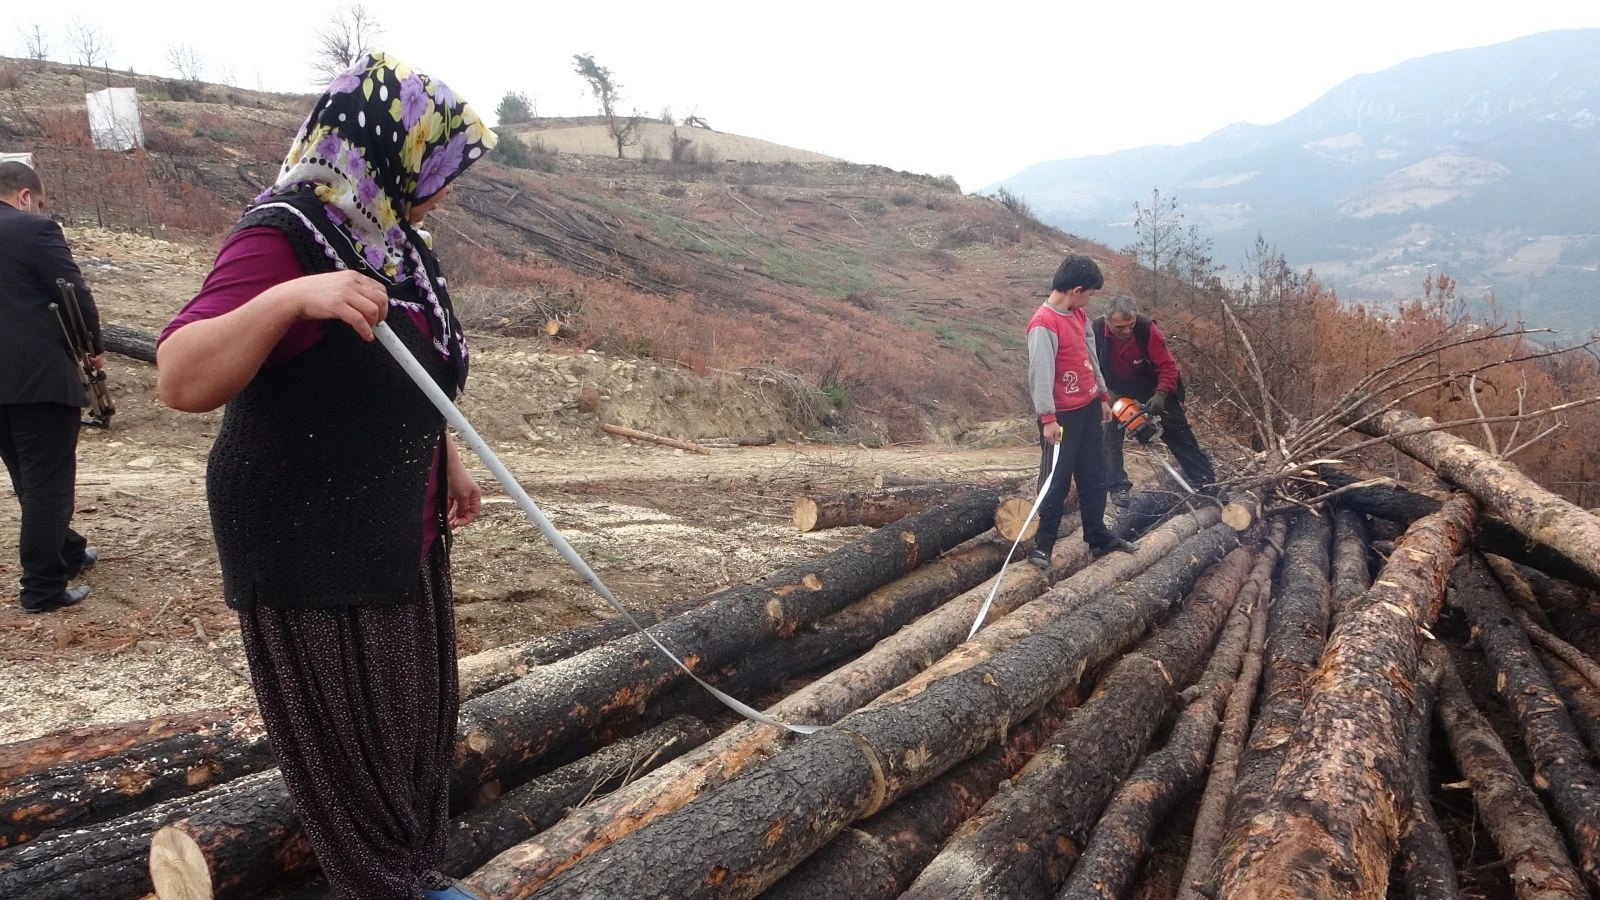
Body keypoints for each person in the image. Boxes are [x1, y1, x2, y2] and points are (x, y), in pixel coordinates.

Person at [156, 54, 495, 900]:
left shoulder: (393, 240)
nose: (442, 191)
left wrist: (442, 445)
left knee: (413, 734)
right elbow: (180, 375)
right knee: (356, 755)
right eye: (436, 167)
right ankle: (392, 888)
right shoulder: (284, 235)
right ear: (386, 149)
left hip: (392, 523)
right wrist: (289, 299)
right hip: (310, 535)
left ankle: (409, 875)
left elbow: (411, 364)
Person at [0, 160, 100, 613]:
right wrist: (91, 346)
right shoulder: (34, 230)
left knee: (28, 476)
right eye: (37, 202)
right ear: (24, 196)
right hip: (36, 376)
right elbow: (71, 291)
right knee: (48, 484)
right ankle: (42, 588)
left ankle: (69, 552)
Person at [1025, 254, 1137, 568]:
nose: (1089, 299)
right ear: (1076, 290)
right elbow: (1041, 375)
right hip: (1061, 416)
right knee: (1055, 480)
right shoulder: (1043, 324)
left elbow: (1090, 359)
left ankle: (1098, 537)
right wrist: (1047, 417)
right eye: (1089, 293)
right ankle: (1042, 545)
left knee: (1094, 475)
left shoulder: (1078, 315)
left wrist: (1102, 396)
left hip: (1088, 408)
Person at [1093, 294, 1217, 504]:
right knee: (1109, 432)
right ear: (1107, 321)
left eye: (1129, 326)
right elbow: (1085, 367)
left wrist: (1160, 395)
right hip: (1113, 389)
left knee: (1178, 430)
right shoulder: (1094, 331)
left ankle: (1207, 484)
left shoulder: (1146, 329)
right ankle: (1118, 487)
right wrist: (1105, 394)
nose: (1126, 331)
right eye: (1119, 327)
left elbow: (1168, 366)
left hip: (1151, 385)